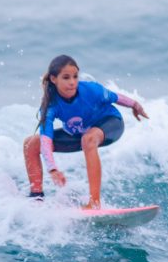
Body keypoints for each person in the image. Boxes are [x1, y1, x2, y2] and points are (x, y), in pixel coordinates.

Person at [23, 55, 149, 209]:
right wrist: (53, 168)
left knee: (88, 139)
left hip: (109, 123)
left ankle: (94, 203)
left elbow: (115, 97)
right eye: (66, 77)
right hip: (79, 132)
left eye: (75, 76)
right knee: (31, 143)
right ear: (54, 79)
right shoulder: (50, 105)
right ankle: (36, 198)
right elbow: (46, 139)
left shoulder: (91, 90)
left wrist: (135, 105)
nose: (72, 82)